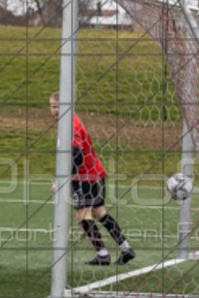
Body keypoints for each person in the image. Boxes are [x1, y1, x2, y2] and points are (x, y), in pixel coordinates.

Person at [50, 92, 135, 266]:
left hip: (85, 176)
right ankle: (126, 249)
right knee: (99, 212)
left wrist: (62, 181)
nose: (55, 110)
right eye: (52, 106)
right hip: (94, 172)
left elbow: (77, 155)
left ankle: (103, 254)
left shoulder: (71, 124)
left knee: (82, 216)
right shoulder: (69, 122)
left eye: (58, 106)